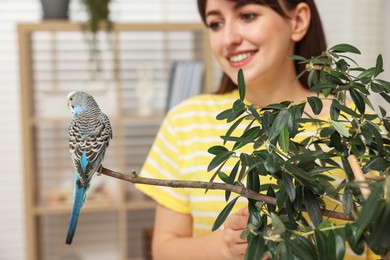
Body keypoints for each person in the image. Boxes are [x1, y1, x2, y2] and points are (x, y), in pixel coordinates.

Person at [136, 0, 369, 259]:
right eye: (216, 23)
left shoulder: (359, 127)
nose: (228, 39)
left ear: (299, 21)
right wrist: (223, 247)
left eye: (247, 15)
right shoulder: (185, 122)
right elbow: (164, 250)